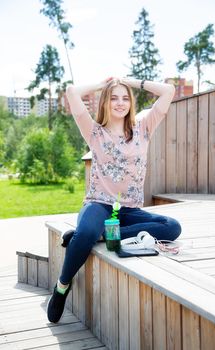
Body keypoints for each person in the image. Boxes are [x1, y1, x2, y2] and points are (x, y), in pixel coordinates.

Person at [47, 77, 181, 323]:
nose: (120, 103)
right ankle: (61, 287)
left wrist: (129, 81)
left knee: (172, 227)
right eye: (114, 98)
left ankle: (102, 234)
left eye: (125, 97)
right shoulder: (94, 131)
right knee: (86, 232)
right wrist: (103, 83)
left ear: (131, 102)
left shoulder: (144, 126)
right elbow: (71, 92)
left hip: (129, 209)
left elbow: (168, 91)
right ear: (105, 102)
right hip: (98, 204)